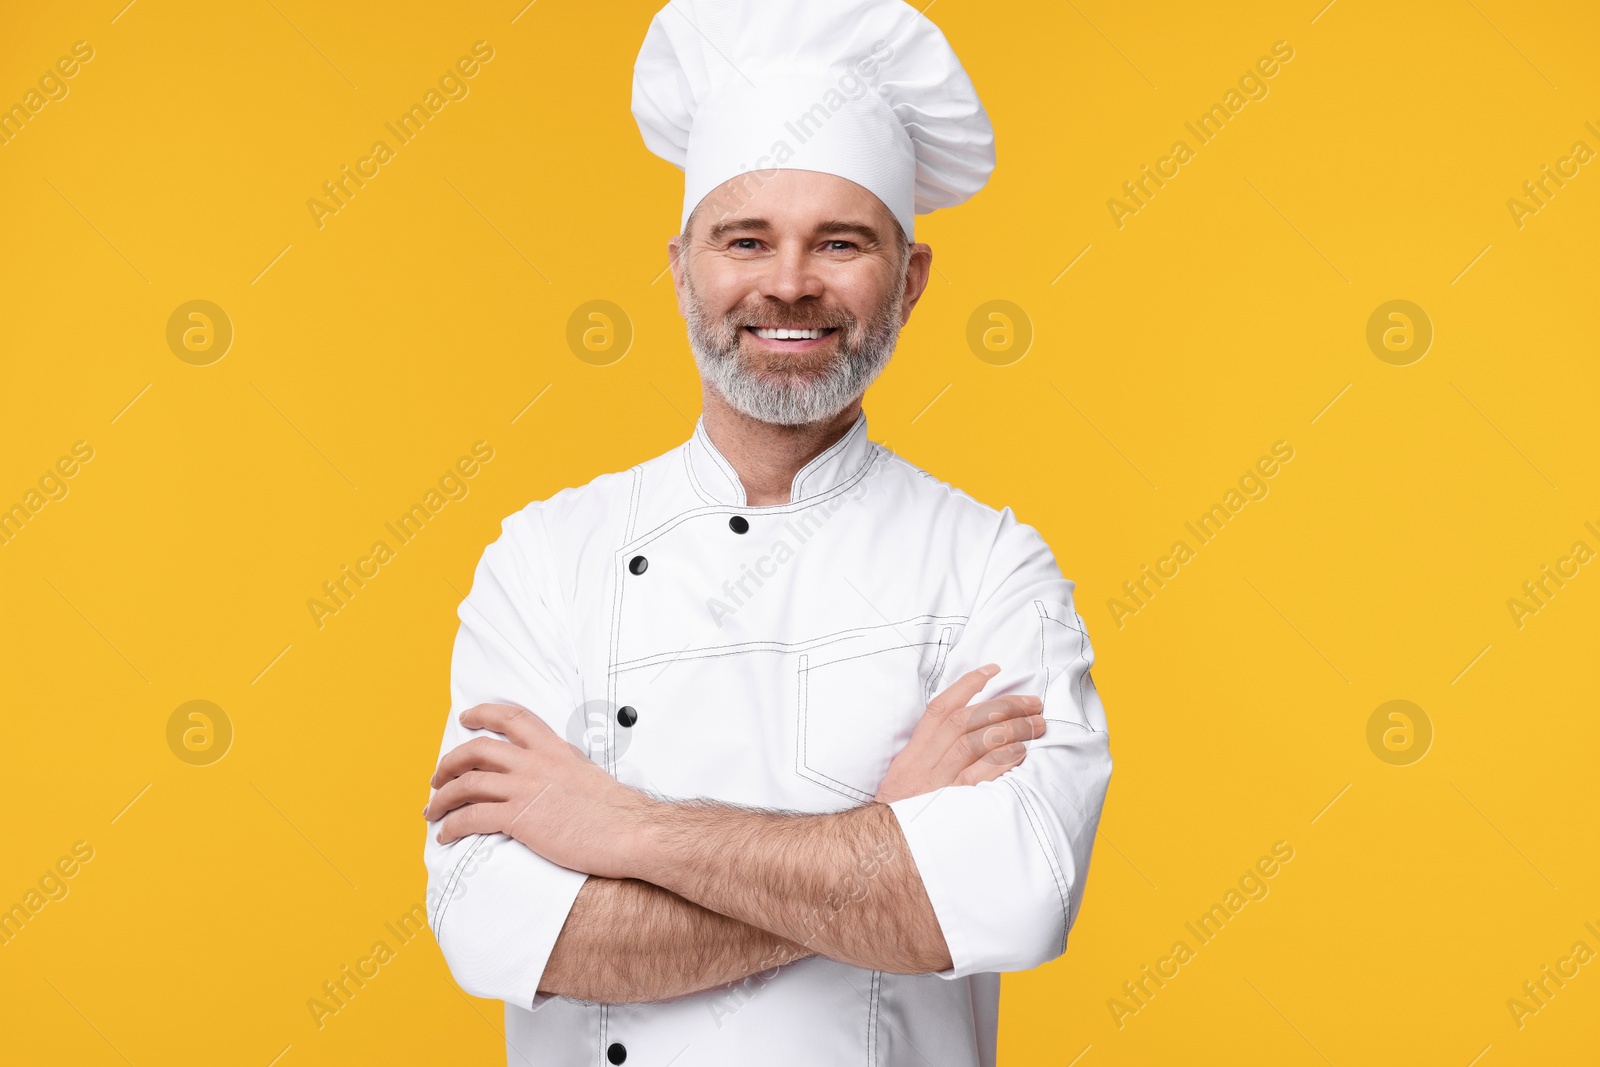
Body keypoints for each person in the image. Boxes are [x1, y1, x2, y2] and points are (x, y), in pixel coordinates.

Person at [421, 1, 1113, 1063]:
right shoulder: (543, 560)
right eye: (745, 239)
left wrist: (623, 828)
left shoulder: (988, 565)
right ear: (681, 266)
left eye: (840, 242)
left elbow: (1002, 902)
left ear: (911, 279)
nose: (788, 283)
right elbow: (497, 931)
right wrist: (877, 846)